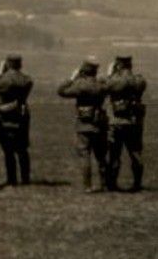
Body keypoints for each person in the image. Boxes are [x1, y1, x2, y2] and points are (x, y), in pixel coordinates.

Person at [57, 56, 109, 193]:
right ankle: (105, 184)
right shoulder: (101, 85)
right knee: (101, 156)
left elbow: (61, 91)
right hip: (99, 123)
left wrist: (72, 78)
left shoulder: (81, 85)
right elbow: (109, 87)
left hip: (84, 123)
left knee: (85, 154)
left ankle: (87, 186)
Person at [0, 54, 34, 186]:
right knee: (22, 148)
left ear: (8, 64)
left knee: (8, 149)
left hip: (6, 114)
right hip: (22, 113)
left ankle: (12, 179)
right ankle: (25, 179)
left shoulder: (5, 79)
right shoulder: (27, 80)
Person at [104, 54, 147, 192]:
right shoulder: (139, 80)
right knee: (136, 153)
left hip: (117, 121)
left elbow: (106, 87)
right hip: (134, 122)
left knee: (114, 154)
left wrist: (110, 74)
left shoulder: (115, 81)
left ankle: (112, 184)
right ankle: (137, 183)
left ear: (118, 65)